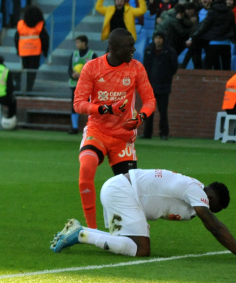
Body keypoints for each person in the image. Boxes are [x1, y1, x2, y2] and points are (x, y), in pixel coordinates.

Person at [51, 170, 236, 261]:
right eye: (213, 208)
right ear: (211, 198)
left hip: (118, 189)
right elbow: (215, 227)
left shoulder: (194, 188)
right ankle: (80, 234)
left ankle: (79, 231)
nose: (209, 212)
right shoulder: (197, 192)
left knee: (124, 243)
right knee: (142, 249)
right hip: (123, 191)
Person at [73, 28, 157, 229]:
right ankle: (92, 230)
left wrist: (141, 117)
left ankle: (133, 230)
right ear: (115, 48)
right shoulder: (92, 67)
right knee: (86, 170)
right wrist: (105, 108)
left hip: (123, 138)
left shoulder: (136, 68)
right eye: (129, 46)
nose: (134, 50)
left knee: (130, 191)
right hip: (97, 131)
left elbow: (150, 101)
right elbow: (78, 104)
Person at [142, 32, 179, 140]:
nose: (158, 40)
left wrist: (166, 77)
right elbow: (145, 66)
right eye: (156, 38)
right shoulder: (148, 50)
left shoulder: (169, 51)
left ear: (163, 39)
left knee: (163, 111)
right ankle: (147, 134)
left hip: (164, 85)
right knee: (149, 111)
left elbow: (174, 67)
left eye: (160, 38)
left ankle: (164, 133)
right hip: (150, 85)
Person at [14, 5, 49, 93]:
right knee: (32, 71)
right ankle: (28, 88)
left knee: (25, 69)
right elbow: (45, 39)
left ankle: (21, 84)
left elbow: (16, 38)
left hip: (24, 51)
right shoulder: (40, 26)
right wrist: (45, 51)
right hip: (35, 52)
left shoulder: (21, 25)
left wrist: (18, 50)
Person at [67, 34, 97, 134]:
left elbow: (96, 71)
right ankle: (74, 127)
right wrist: (73, 75)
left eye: (78, 42)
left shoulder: (92, 55)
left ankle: (91, 127)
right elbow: (69, 69)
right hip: (75, 85)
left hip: (88, 86)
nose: (76, 44)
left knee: (89, 106)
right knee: (74, 106)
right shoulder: (74, 54)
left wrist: (83, 76)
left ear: (84, 43)